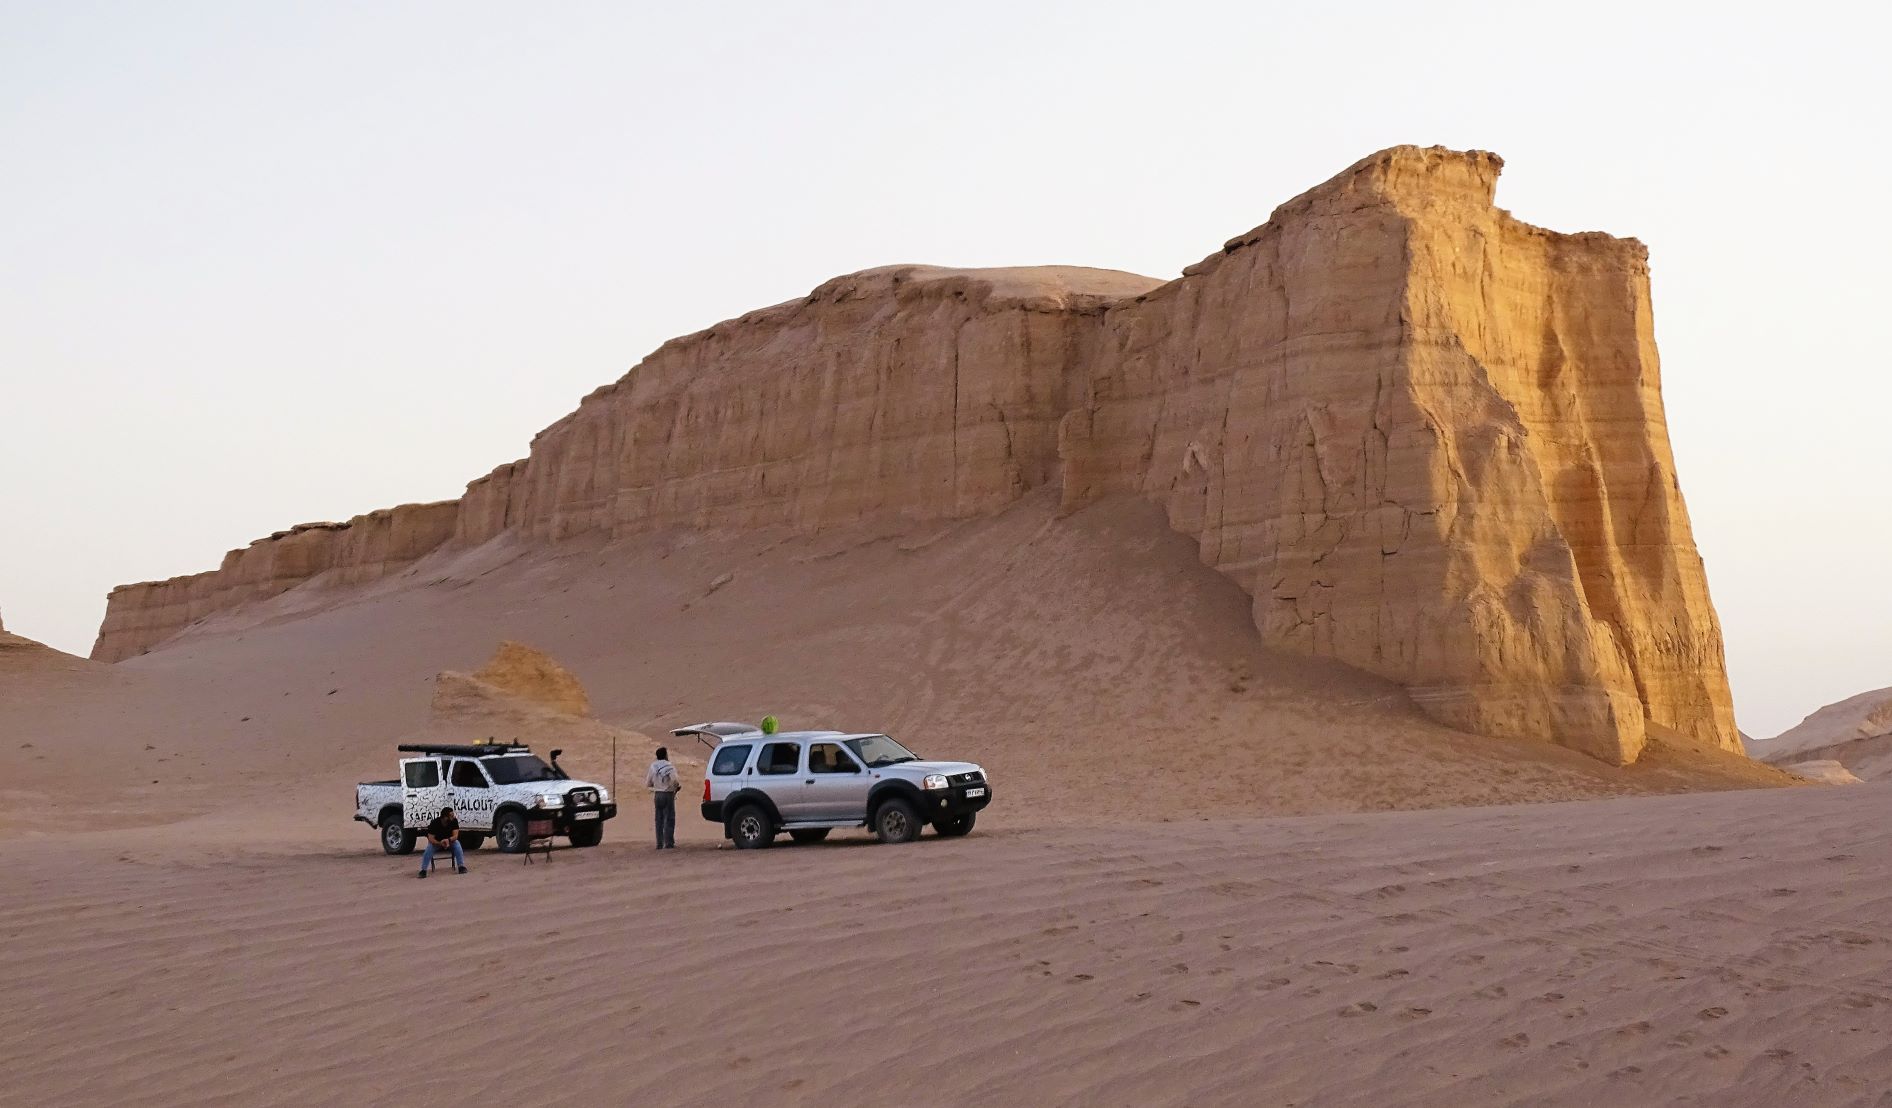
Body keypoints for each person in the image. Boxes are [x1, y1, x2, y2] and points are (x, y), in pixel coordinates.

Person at [645, 746, 682, 849]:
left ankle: (659, 843)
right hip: (668, 794)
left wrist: (657, 785)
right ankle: (669, 842)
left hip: (657, 794)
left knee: (658, 819)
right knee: (669, 818)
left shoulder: (653, 766)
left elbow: (648, 783)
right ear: (665, 755)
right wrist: (676, 787)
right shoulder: (669, 766)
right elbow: (675, 781)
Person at [419, 806, 467, 878]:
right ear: (445, 817)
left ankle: (461, 866)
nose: (453, 817)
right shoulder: (434, 823)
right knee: (429, 848)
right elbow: (431, 838)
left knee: (457, 844)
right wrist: (439, 843)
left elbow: (455, 836)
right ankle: (423, 870)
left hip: (450, 841)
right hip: (437, 842)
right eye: (451, 816)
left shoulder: (454, 821)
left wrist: (448, 840)